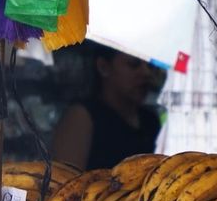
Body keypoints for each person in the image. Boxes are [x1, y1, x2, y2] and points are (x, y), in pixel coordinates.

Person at [51, 43, 162, 171]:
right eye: (133, 64)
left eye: (150, 66)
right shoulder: (82, 117)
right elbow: (64, 183)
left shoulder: (151, 121)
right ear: (104, 67)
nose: (146, 73)